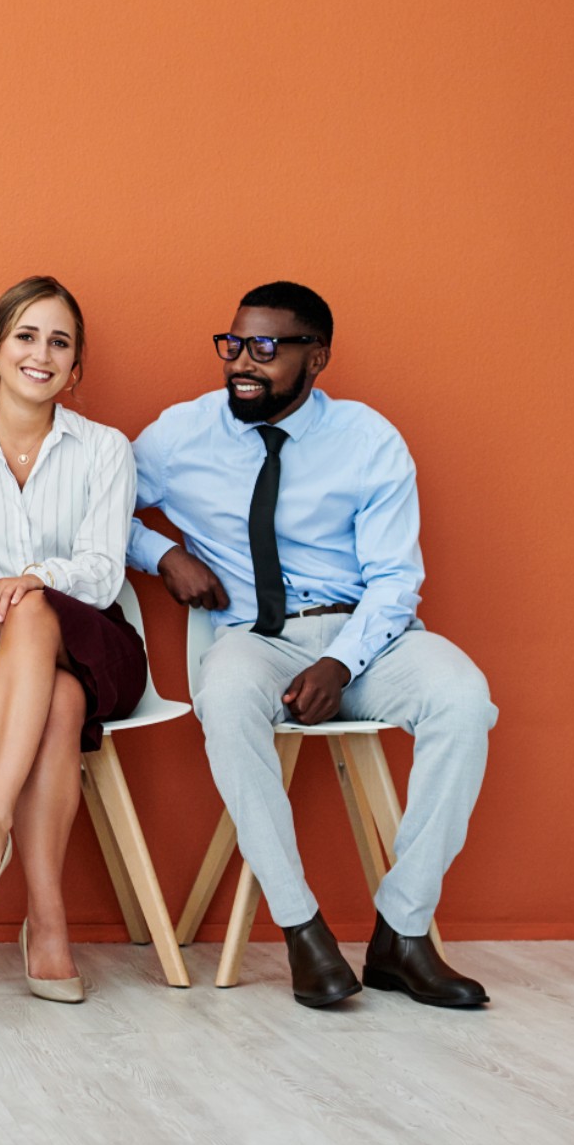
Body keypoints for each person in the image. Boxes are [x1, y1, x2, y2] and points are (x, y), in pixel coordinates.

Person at [131, 281, 495, 1009]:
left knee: (464, 700)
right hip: (252, 637)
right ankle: (301, 929)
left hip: (365, 636)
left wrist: (340, 661)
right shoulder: (180, 434)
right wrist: (159, 554)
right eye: (231, 344)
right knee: (226, 698)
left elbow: (395, 578)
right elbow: (90, 508)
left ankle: (401, 930)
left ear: (316, 357)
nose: (241, 362)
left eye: (265, 348)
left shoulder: (366, 439)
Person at [0, 276, 144, 1004]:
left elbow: (102, 574)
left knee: (38, 610)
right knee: (59, 705)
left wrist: (23, 584)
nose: (41, 354)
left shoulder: (105, 450)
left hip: (95, 645)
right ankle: (47, 923)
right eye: (26, 336)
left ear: (76, 369)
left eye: (59, 342)